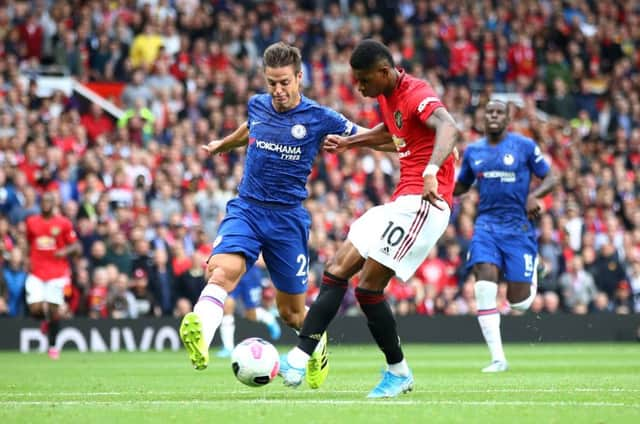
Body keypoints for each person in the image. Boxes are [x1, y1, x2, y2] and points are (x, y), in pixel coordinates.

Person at [179, 42, 380, 385]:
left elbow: (367, 135)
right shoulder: (258, 104)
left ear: (299, 78)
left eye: (285, 82)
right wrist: (223, 145)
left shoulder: (319, 117)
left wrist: (408, 147)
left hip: (287, 220)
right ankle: (201, 328)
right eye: (272, 82)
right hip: (248, 207)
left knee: (291, 313)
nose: (278, 90)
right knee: (222, 270)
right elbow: (249, 128)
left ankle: (317, 346)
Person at [279, 39, 459, 398]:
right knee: (336, 268)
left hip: (426, 203)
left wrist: (431, 171)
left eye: (364, 81)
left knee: (368, 289)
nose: (360, 88)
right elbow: (394, 134)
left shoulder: (416, 93)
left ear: (384, 71)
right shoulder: (388, 96)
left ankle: (398, 372)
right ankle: (301, 354)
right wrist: (351, 142)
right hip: (400, 202)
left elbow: (449, 127)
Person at [453, 100, 557, 372]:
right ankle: (498, 358)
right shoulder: (474, 151)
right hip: (486, 225)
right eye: (489, 112)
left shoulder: (524, 146)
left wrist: (535, 195)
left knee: (519, 304)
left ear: (508, 117)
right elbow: (462, 184)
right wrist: (436, 188)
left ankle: (533, 268)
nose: (494, 116)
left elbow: (552, 176)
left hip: (517, 229)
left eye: (499, 112)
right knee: (483, 278)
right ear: (483, 118)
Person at [25, 192, 81, 359]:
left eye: (49, 201)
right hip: (36, 271)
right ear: (40, 203)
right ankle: (45, 321)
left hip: (57, 272)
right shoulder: (31, 222)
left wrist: (65, 250)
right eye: (43, 201)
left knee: (53, 309)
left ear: (54, 203)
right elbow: (29, 243)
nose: (46, 204)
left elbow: (76, 246)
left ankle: (53, 345)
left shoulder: (63, 223)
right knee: (35, 309)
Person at [216, 264, 281, 358]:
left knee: (250, 313)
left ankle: (268, 318)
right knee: (227, 305)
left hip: (250, 274)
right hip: (233, 273)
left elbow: (262, 259)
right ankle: (228, 347)